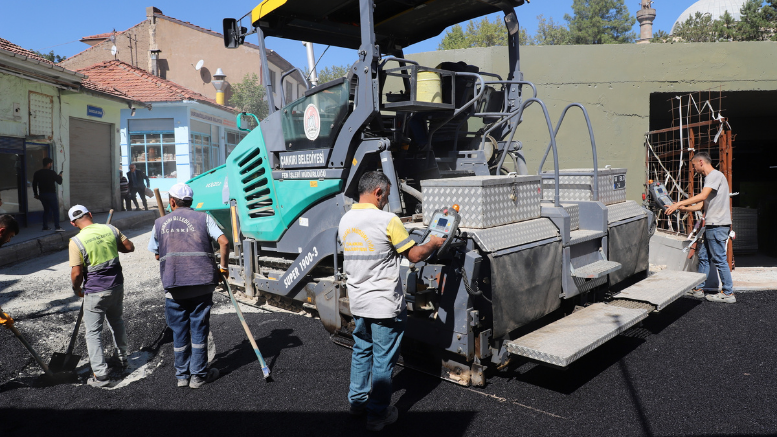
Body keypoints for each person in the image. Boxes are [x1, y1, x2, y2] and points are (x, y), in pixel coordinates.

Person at [338, 171, 445, 431]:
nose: (387, 200)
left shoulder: (346, 219)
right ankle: (377, 415)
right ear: (378, 192)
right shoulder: (388, 220)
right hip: (384, 305)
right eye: (386, 194)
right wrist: (433, 242)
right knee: (383, 360)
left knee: (362, 351)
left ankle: (357, 403)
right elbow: (416, 255)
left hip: (359, 302)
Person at [147, 183, 229, 388]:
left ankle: (182, 377)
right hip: (202, 283)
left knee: (179, 331)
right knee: (199, 328)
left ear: (172, 202)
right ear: (191, 201)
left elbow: (157, 254)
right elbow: (224, 242)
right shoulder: (204, 217)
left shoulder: (159, 222)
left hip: (174, 284)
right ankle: (198, 376)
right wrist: (224, 268)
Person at [68, 205, 135, 387]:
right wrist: (112, 242)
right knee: (117, 321)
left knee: (93, 332)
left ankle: (101, 374)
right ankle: (122, 359)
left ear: (73, 223)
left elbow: (76, 273)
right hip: (116, 286)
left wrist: (77, 289)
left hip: (95, 291)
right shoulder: (110, 229)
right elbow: (129, 247)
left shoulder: (76, 241)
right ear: (90, 214)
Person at [666, 152, 734, 303]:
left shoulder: (714, 176)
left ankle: (728, 293)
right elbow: (701, 205)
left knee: (719, 259)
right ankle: (699, 289)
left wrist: (679, 203)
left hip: (717, 225)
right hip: (712, 225)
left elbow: (702, 197)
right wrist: (681, 208)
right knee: (704, 257)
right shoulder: (711, 178)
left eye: (694, 165)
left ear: (701, 162)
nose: (693, 168)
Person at [32, 157, 64, 232]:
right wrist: (60, 176)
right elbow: (59, 182)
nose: (51, 165)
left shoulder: (37, 173)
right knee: (55, 210)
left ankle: (45, 226)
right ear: (49, 164)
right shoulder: (52, 172)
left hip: (42, 195)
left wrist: (36, 194)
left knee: (46, 210)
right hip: (51, 194)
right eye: (51, 163)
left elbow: (34, 184)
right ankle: (57, 227)